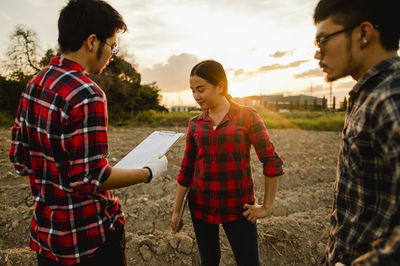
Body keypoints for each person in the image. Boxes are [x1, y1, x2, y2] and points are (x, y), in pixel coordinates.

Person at [9, 0, 167, 265]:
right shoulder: (87, 94)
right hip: (89, 241)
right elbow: (91, 178)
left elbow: (20, 160)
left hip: (47, 238)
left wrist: (53, 192)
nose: (111, 55)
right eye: (113, 46)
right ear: (93, 42)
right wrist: (148, 173)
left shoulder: (34, 84)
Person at [170, 60, 284, 266]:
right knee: (209, 261)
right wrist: (177, 211)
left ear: (220, 86)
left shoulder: (247, 117)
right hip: (201, 207)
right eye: (192, 90)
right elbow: (186, 169)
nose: (196, 96)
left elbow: (271, 160)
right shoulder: (195, 124)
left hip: (239, 207)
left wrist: (266, 206)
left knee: (249, 262)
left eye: (201, 89)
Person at [313, 0, 400, 265]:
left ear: (363, 33)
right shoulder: (369, 94)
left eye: (323, 41)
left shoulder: (391, 98)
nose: (318, 55)